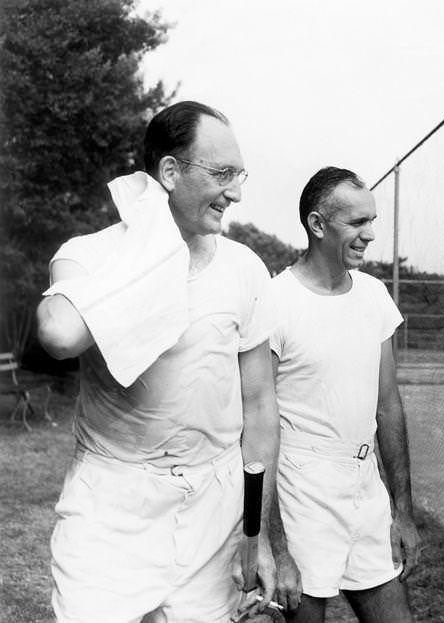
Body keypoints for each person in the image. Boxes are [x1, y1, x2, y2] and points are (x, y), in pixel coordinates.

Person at [36, 101, 279, 623]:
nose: (235, 191)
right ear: (168, 172)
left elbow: (259, 408)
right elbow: (59, 334)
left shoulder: (245, 269)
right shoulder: (89, 255)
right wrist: (154, 244)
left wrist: (255, 535)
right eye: (221, 174)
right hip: (111, 503)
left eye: (239, 174)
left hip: (213, 508)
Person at [268, 167, 420, 623]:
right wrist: (276, 548)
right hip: (301, 491)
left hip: (365, 487)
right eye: (356, 223)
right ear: (317, 225)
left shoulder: (374, 295)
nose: (370, 234)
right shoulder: (275, 300)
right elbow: (256, 428)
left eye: (371, 221)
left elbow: (388, 406)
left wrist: (404, 513)